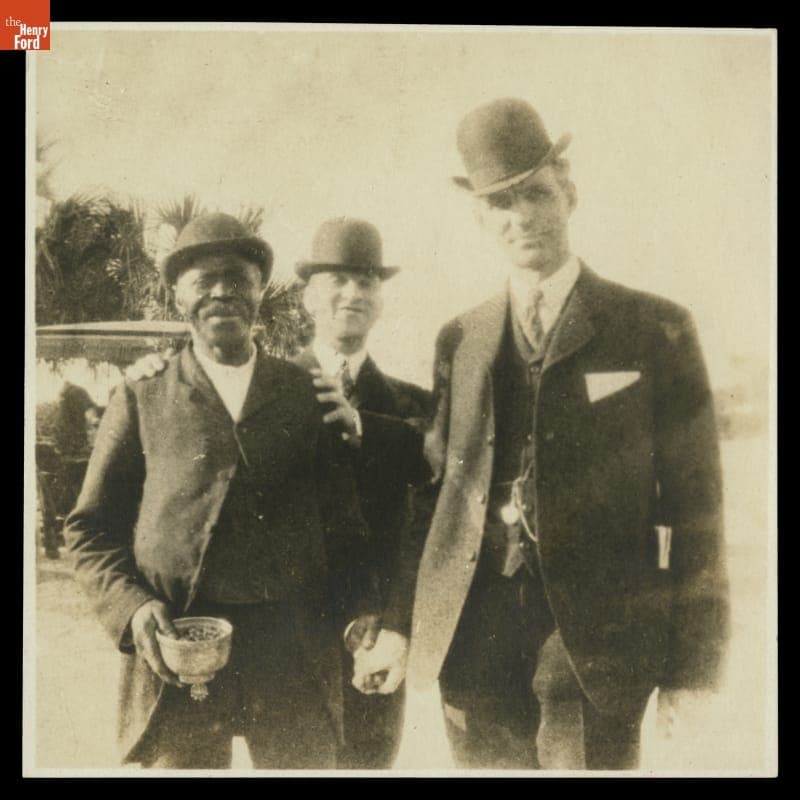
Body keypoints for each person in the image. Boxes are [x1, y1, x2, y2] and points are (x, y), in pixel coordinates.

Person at [358, 98, 730, 770]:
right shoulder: (461, 338)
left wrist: (694, 667)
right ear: (481, 219)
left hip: (595, 645)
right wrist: (399, 623)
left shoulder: (653, 328)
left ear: (569, 194)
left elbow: (696, 507)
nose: (522, 216)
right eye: (501, 204)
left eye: (536, 193)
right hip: (471, 638)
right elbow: (434, 497)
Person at [64, 213, 377, 769]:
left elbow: (347, 528)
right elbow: (88, 529)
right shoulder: (143, 394)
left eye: (237, 277)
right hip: (176, 646)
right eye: (200, 279)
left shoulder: (305, 393)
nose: (220, 292)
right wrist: (133, 609)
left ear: (260, 291)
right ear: (176, 294)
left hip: (292, 652)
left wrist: (360, 614)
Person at [293, 217, 433, 768]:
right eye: (338, 279)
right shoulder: (265, 389)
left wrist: (395, 620)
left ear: (381, 302)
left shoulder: (414, 407)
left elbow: (424, 523)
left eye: (367, 282)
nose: (352, 293)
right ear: (308, 297)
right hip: (291, 632)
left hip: (376, 634)